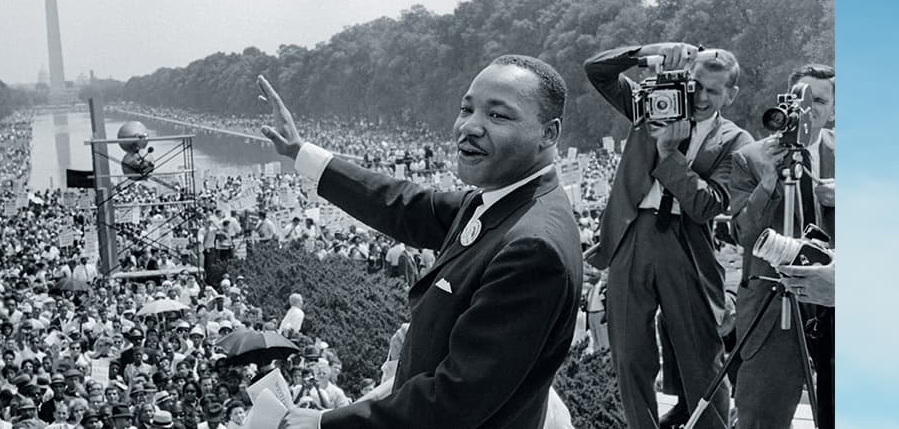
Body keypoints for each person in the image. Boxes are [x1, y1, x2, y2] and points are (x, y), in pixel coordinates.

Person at [260, 55, 583, 429]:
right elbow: (403, 205)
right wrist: (300, 152)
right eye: (467, 108)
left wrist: (324, 423)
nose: (470, 127)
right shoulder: (500, 200)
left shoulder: (531, 247)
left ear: (549, 133)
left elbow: (455, 399)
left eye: (498, 116)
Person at [583, 42, 754, 429]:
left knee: (701, 355)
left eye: (713, 90)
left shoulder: (735, 141)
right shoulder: (652, 105)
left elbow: (707, 205)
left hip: (686, 243)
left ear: (731, 94)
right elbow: (597, 70)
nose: (701, 97)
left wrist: (668, 153)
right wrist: (648, 51)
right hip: (632, 235)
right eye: (695, 86)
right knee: (629, 354)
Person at [728, 63, 836, 429]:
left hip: (839, 303)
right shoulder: (751, 158)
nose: (810, 109)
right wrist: (768, 184)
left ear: (833, 110)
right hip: (773, 309)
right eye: (801, 98)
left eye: (819, 100)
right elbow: (744, 234)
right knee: (761, 418)